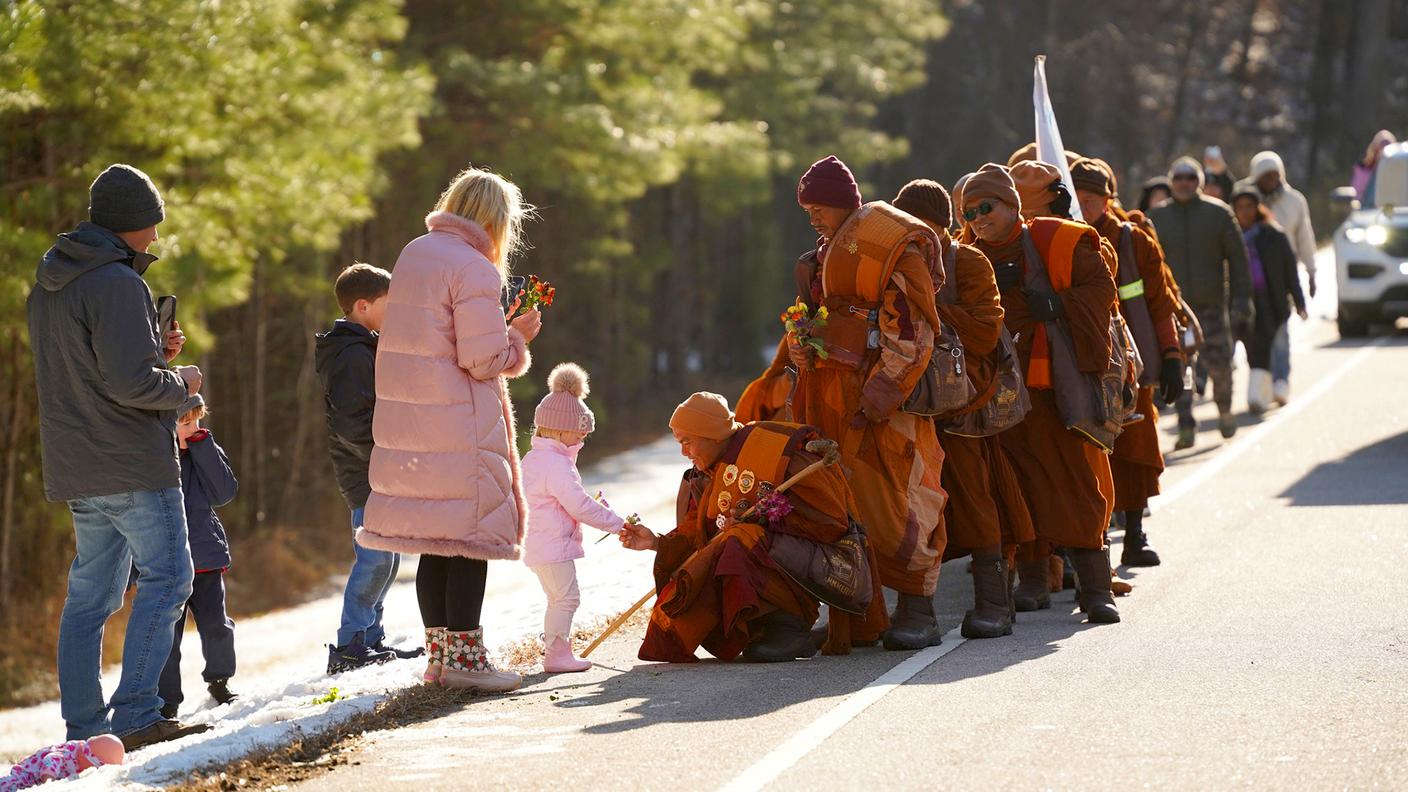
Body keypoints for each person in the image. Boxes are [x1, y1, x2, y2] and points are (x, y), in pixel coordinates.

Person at [27, 163, 210, 749]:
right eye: (152, 224)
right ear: (132, 224)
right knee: (171, 578)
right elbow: (132, 387)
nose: (156, 236)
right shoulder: (116, 282)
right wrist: (184, 382)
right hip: (131, 462)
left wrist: (154, 348)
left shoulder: (51, 282)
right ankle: (136, 716)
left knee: (90, 599)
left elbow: (91, 370)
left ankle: (86, 732)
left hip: (77, 466)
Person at [358, 166, 542, 693]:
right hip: (459, 423)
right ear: (495, 219)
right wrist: (517, 336)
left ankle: (440, 657)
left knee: (436, 543)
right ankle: (467, 660)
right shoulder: (477, 268)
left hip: (412, 424)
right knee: (468, 540)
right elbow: (483, 359)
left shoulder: (414, 253)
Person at [788, 155, 949, 650]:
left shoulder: (893, 250)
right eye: (808, 208)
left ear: (846, 204)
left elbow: (913, 335)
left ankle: (918, 611)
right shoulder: (820, 257)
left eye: (821, 207)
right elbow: (817, 319)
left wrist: (877, 398)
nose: (813, 216)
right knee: (838, 502)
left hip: (884, 403)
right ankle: (858, 612)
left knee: (899, 497)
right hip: (829, 399)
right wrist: (799, 344)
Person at [962, 162, 1122, 624]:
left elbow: (1102, 287)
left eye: (987, 207)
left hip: (1053, 388)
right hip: (998, 396)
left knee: (1073, 481)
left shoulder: (1058, 239)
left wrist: (1054, 303)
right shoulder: (968, 256)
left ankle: (1095, 588)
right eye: (969, 212)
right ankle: (1033, 580)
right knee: (1017, 488)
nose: (979, 219)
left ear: (1012, 205)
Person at [619, 393, 884, 663]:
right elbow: (698, 535)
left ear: (712, 435)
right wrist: (655, 543)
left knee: (742, 538)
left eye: (687, 442)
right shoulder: (707, 472)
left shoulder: (777, 452)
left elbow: (831, 522)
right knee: (726, 546)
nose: (683, 452)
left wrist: (766, 521)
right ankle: (762, 628)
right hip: (775, 556)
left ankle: (789, 627)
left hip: (830, 559)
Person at [892, 179, 1034, 639]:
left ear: (941, 227)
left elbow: (984, 333)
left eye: (923, 227)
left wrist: (928, 304)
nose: (914, 235)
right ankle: (915, 613)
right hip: (912, 407)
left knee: (974, 500)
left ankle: (994, 603)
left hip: (967, 404)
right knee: (912, 508)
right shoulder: (893, 264)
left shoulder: (967, 261)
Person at [1072, 158, 1187, 566]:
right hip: (1080, 362)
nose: (1083, 208)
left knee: (1136, 448)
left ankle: (1135, 534)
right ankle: (1092, 541)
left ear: (1108, 200)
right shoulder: (1057, 239)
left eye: (1091, 200)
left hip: (1132, 366)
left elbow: (1160, 304)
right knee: (1087, 451)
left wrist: (1172, 356)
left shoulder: (1134, 241)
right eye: (1076, 199)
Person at [315, 262, 418, 674]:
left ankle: (371, 636)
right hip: (366, 472)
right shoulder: (350, 354)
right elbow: (349, 423)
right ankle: (350, 643)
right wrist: (382, 461)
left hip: (378, 468)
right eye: (388, 305)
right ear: (362, 306)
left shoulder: (365, 346)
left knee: (388, 557)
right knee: (374, 557)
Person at [521, 363, 630, 673]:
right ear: (558, 429)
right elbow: (578, 505)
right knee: (566, 598)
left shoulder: (537, 458)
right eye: (579, 433)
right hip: (551, 545)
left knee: (559, 598)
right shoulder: (556, 464)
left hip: (540, 543)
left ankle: (556, 650)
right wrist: (617, 523)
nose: (583, 438)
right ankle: (556, 654)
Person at [1150, 157, 1252, 449]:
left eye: (1190, 178)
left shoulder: (1219, 214)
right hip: (1175, 310)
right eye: (1179, 177)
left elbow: (1239, 261)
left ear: (1200, 182)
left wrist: (1242, 300)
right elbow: (1147, 264)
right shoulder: (1156, 218)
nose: (1184, 183)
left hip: (1210, 307)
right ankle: (1185, 424)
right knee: (1180, 368)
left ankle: (1224, 410)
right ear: (1171, 181)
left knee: (1220, 363)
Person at [156, 397, 239, 719]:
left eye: (197, 422)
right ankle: (167, 702)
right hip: (165, 563)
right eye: (185, 423)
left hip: (205, 558)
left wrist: (203, 446)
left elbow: (224, 493)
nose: (194, 429)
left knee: (216, 625)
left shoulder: (205, 450)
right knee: (166, 637)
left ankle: (220, 681)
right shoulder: (153, 457)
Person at [1239, 151, 1317, 407]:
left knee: (1281, 333)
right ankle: (1262, 385)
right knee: (1259, 336)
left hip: (1282, 277)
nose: (1270, 180)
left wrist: (1311, 270)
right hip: (1254, 282)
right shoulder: (1248, 203)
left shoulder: (1295, 201)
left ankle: (1281, 381)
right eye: (1265, 176)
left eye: (1274, 175)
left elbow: (1304, 236)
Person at [1230, 187, 1308, 414]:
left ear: (1258, 208)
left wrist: (1299, 301)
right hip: (1244, 301)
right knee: (1256, 346)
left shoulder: (1274, 235)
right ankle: (1260, 390)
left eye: (1249, 206)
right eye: (1240, 207)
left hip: (1273, 300)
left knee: (1280, 343)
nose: (1245, 212)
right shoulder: (1229, 238)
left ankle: (1281, 383)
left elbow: (1290, 272)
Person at [0, 735, 124, 791]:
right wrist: (48, 779)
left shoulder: (80, 755)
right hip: (25, 776)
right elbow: (51, 759)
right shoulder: (68, 755)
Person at [1353, 130, 1397, 201]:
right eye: (1382, 144)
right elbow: (1356, 196)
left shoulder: (1402, 170)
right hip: (1368, 211)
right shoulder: (1363, 169)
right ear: (1375, 148)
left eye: (1388, 144)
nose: (1384, 148)